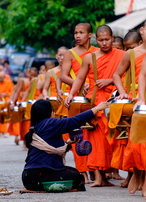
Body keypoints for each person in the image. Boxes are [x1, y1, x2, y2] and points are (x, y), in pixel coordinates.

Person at [65, 25, 125, 187]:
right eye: (101, 40)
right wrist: (71, 94)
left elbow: (127, 76)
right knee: (96, 141)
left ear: (113, 38)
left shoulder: (122, 55)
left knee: (113, 141)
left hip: (114, 102)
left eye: (107, 39)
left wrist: (110, 80)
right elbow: (79, 79)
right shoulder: (89, 57)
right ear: (96, 40)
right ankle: (99, 178)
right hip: (96, 102)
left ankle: (109, 174)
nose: (105, 43)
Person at [22, 99, 110, 191]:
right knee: (77, 178)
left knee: (74, 171)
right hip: (39, 176)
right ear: (47, 112)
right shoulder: (50, 123)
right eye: (52, 110)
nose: (54, 113)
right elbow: (74, 121)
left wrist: (67, 143)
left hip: (28, 176)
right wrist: (97, 109)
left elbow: (51, 148)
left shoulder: (37, 126)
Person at [56, 22, 99, 184]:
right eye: (75, 33)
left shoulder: (97, 52)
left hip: (94, 98)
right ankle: (83, 172)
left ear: (90, 35)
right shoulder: (70, 53)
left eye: (81, 32)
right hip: (76, 99)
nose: (78, 36)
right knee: (77, 135)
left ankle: (97, 170)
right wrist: (79, 83)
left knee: (94, 135)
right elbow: (63, 76)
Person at [113, 20, 146, 195]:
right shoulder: (131, 54)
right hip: (137, 100)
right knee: (136, 142)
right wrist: (122, 92)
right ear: (142, 31)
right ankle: (137, 173)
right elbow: (117, 75)